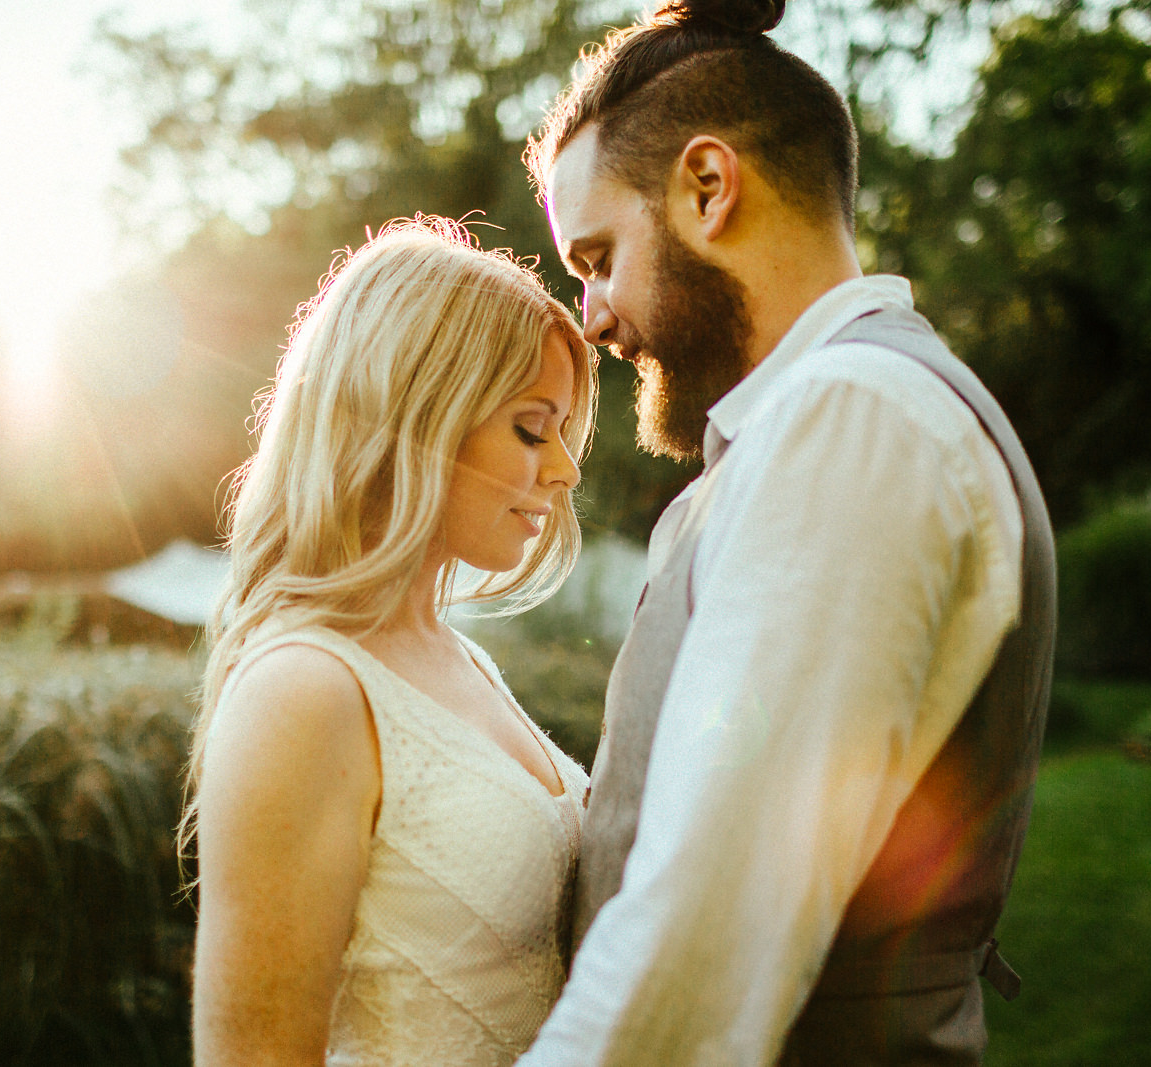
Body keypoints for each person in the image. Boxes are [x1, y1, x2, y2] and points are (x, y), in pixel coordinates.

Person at [514, 1, 1056, 1064]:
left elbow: (699, 929)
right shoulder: (820, 421)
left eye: (597, 257)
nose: (591, 316)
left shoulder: (851, 419)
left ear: (708, 189)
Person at [187, 217, 598, 1067]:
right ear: (416, 416)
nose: (564, 468)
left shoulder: (459, 656)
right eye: (532, 427)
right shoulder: (303, 688)